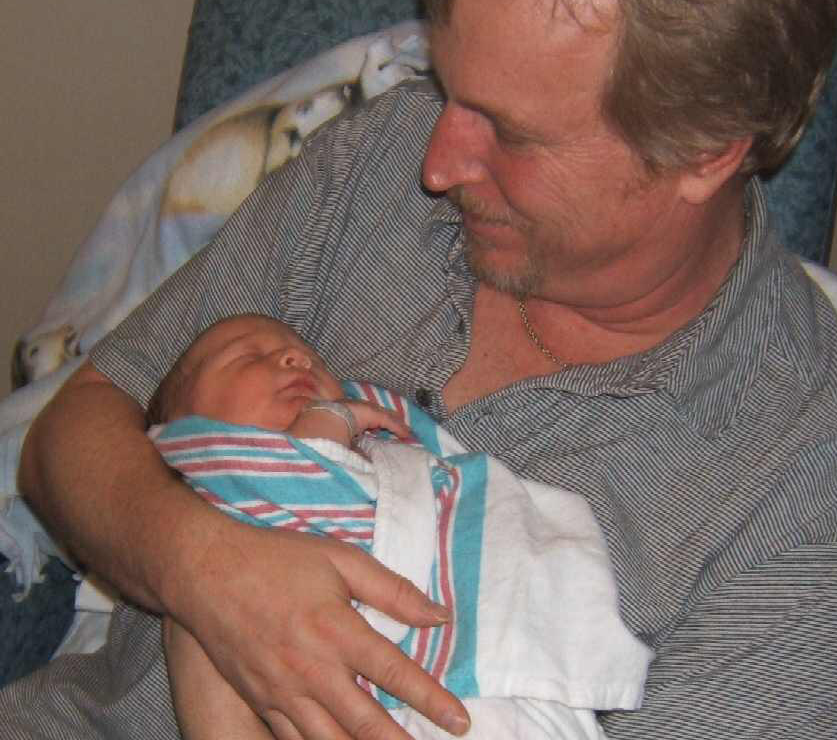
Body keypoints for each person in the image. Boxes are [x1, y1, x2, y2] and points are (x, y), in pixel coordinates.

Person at [6, 0, 837, 739]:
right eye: (450, 88)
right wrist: (209, 570)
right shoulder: (382, 158)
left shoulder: (806, 507)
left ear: (703, 151)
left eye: (509, 132)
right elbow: (74, 431)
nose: (436, 164)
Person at [147, 313, 651, 740]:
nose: (293, 357)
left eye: (308, 356)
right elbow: (308, 476)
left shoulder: (373, 458)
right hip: (399, 704)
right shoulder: (224, 473)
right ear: (187, 427)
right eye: (246, 356)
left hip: (470, 687)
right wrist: (329, 422)